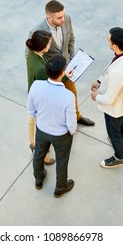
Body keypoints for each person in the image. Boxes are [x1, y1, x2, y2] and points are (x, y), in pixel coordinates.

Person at [26, 0, 95, 127]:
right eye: (59, 17)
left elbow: (71, 39)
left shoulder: (67, 19)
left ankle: (76, 116)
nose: (63, 19)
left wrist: (71, 58)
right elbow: (29, 54)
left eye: (63, 15)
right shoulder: (36, 32)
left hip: (66, 68)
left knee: (72, 93)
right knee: (55, 101)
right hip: (51, 73)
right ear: (49, 17)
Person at [27, 55, 76, 198]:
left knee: (39, 154)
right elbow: (71, 124)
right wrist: (69, 133)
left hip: (42, 129)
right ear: (62, 72)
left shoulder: (36, 86)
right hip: (61, 135)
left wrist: (42, 121)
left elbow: (31, 110)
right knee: (62, 161)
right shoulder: (68, 96)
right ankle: (60, 187)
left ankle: (39, 179)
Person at [91, 27, 123, 168]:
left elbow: (108, 100)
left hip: (115, 104)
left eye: (109, 39)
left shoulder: (119, 73)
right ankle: (121, 142)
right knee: (119, 122)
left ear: (115, 46)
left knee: (113, 131)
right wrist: (100, 80)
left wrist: (96, 96)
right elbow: (111, 65)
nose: (107, 39)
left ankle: (120, 156)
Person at [26, 30, 55, 165]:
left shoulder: (32, 55)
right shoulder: (41, 70)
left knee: (32, 121)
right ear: (43, 47)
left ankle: (32, 143)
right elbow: (50, 85)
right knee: (42, 127)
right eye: (49, 43)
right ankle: (42, 154)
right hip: (41, 101)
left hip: (32, 94)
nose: (50, 44)